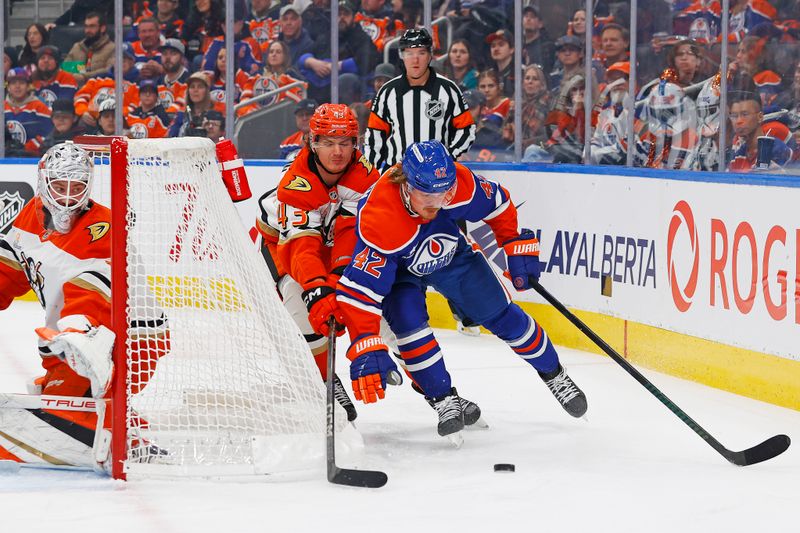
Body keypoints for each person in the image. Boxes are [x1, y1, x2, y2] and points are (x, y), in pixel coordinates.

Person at [335, 140, 588, 438]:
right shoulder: (380, 216)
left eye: (444, 193)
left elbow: (498, 204)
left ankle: (554, 374)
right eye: (427, 194)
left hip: (449, 254)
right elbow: (360, 292)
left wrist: (514, 242)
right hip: (397, 272)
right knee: (409, 328)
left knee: (501, 314)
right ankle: (443, 399)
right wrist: (365, 341)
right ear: (406, 184)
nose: (436, 202)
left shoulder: (457, 182)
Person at [0, 143, 167, 468]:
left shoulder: (101, 227)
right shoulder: (29, 217)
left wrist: (80, 335)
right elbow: (7, 273)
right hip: (71, 346)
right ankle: (119, 423)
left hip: (129, 342)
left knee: (47, 427)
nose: (67, 196)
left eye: (76, 187)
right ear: (43, 181)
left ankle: (127, 441)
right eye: (59, 186)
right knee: (57, 402)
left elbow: (95, 286)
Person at [255, 104, 381, 422]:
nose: (337, 151)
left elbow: (350, 232)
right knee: (303, 309)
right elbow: (300, 248)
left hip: (325, 246)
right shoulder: (296, 183)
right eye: (328, 142)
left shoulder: (364, 176)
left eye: (345, 142)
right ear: (313, 142)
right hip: (280, 247)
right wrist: (316, 288)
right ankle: (325, 382)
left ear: (356, 143)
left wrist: (338, 276)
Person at [365, 28, 476, 171]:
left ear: (430, 55)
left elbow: (466, 128)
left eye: (421, 53)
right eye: (409, 53)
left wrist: (450, 156)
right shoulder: (387, 92)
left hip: (437, 174)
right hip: (397, 175)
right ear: (401, 55)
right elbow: (374, 136)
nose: (415, 59)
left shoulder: (448, 90)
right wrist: (375, 173)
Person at [728, 91, 792, 171]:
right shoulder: (740, 154)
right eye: (734, 116)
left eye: (745, 114)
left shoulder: (776, 149)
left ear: (760, 117)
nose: (739, 121)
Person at [4, 68, 53, 157]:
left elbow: (48, 134)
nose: (17, 86)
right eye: (13, 83)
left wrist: (26, 148)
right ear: (8, 87)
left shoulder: (39, 107)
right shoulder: (2, 107)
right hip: (6, 157)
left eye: (22, 83)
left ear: (28, 86)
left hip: (33, 158)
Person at [63, 11, 116, 85]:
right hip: (75, 88)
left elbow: (109, 70)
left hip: (99, 88)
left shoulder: (113, 48)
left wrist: (84, 77)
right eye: (86, 26)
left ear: (102, 28)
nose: (88, 30)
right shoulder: (77, 47)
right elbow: (65, 69)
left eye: (92, 26)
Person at [521, 4, 555, 76]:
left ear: (540, 24)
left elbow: (545, 71)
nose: (528, 19)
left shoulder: (546, 47)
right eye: (526, 16)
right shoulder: (518, 45)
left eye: (532, 17)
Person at [485, 29, 516, 98]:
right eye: (493, 46)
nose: (496, 49)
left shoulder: (520, 72)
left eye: (501, 44)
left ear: (512, 49)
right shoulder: (488, 74)